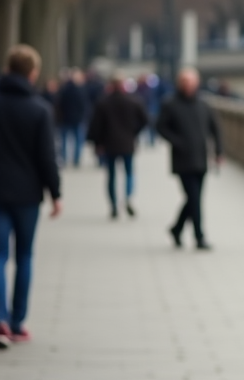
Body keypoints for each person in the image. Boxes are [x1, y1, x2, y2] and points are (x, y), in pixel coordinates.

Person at [0, 45, 63, 343]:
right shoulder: (40, 110)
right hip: (27, 195)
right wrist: (56, 193)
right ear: (33, 73)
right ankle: (17, 322)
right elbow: (46, 158)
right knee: (24, 255)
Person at [156, 68, 222, 250]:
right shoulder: (170, 104)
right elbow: (160, 127)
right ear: (180, 84)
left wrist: (219, 153)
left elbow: (215, 130)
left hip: (201, 158)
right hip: (182, 160)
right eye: (186, 82)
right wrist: (176, 142)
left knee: (193, 198)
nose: (189, 86)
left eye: (192, 82)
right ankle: (199, 237)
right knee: (194, 198)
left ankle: (176, 229)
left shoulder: (203, 104)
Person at [88, 75, 149, 219]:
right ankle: (127, 198)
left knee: (111, 176)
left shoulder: (103, 103)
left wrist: (97, 143)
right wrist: (134, 132)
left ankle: (114, 205)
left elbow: (96, 126)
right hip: (127, 143)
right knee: (129, 173)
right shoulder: (134, 101)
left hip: (109, 144)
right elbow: (145, 120)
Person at [57, 69, 88, 167]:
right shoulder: (80, 90)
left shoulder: (64, 89)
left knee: (64, 140)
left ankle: (64, 158)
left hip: (65, 118)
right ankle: (76, 159)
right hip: (77, 118)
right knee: (78, 140)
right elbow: (84, 105)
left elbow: (59, 104)